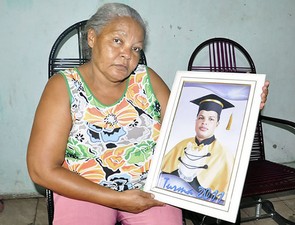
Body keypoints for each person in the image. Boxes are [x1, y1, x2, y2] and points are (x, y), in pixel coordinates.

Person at [26, 2, 270, 225]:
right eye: (117, 41)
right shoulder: (64, 86)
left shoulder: (147, 79)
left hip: (149, 191)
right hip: (85, 190)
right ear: (92, 37)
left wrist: (245, 108)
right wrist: (117, 199)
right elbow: (41, 169)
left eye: (135, 48)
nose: (126, 54)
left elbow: (187, 125)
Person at [160, 94, 236, 204]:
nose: (204, 122)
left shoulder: (224, 154)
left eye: (211, 119)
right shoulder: (182, 144)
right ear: (196, 120)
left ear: (217, 124)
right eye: (201, 117)